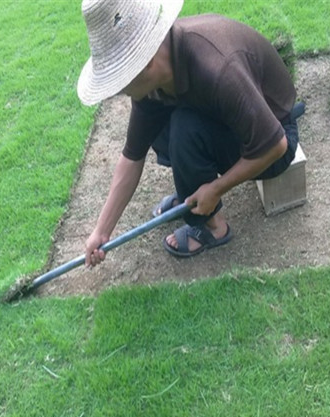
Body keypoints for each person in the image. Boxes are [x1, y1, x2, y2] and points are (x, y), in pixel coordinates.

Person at [77, 0, 301, 267]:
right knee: (160, 126)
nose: (121, 93)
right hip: (230, 123)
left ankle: (213, 227)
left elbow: (275, 145)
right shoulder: (156, 75)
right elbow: (132, 156)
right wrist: (101, 231)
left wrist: (215, 189)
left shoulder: (217, 68)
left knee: (185, 127)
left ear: (146, 63)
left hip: (272, 140)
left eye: (123, 85)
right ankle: (190, 195)